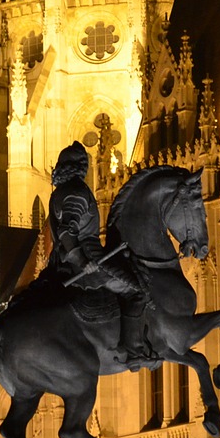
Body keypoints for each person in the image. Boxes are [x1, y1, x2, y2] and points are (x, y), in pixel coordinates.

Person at [44, 142, 149, 367]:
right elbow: (67, 231)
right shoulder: (76, 192)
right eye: (85, 164)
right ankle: (133, 351)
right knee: (135, 291)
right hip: (88, 262)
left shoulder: (59, 193)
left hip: (62, 263)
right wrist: (83, 262)